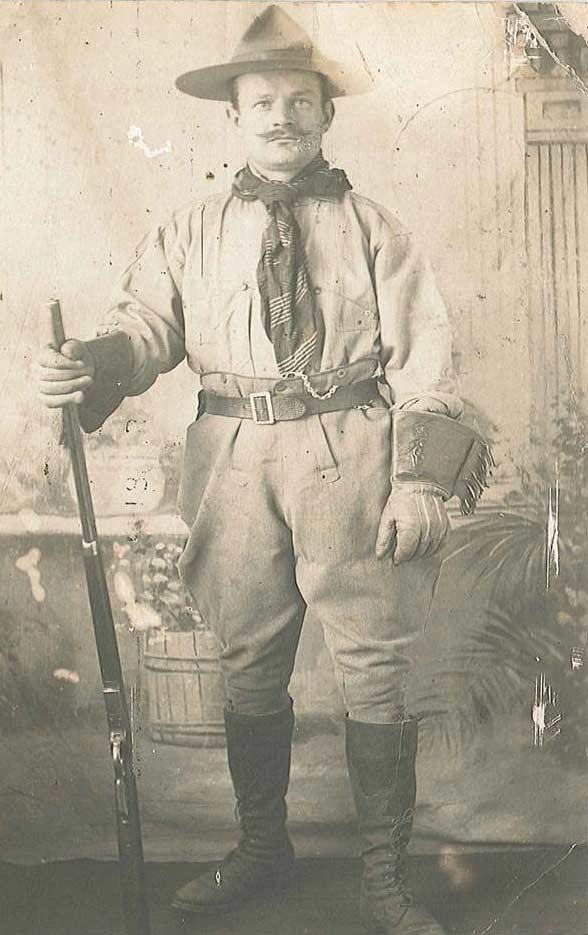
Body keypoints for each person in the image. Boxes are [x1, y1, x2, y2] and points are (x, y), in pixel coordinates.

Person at [37, 7, 492, 933]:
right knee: (247, 660)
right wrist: (90, 362)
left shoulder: (376, 228)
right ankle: (260, 845)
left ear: (326, 116)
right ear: (233, 119)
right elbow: (147, 330)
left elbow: (426, 359)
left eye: (299, 101)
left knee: (373, 664)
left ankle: (383, 877)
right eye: (261, 103)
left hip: (352, 452)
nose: (281, 117)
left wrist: (417, 480)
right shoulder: (189, 229)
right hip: (233, 454)